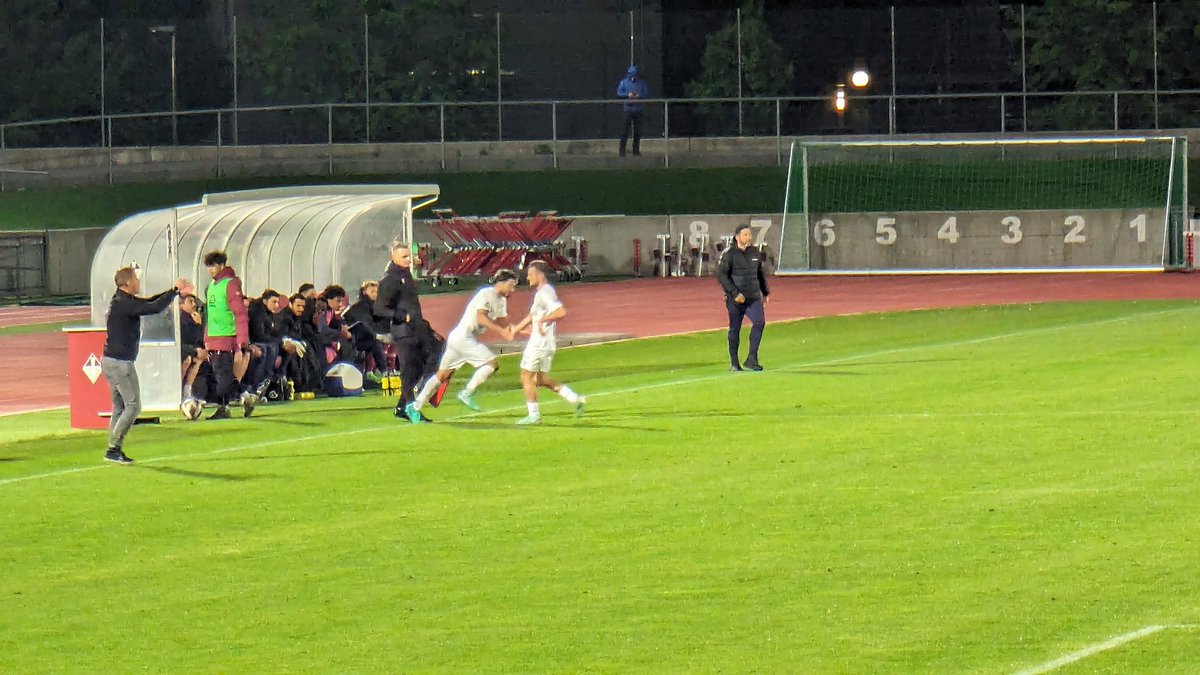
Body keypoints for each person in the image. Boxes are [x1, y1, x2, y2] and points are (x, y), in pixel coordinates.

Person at [100, 266, 192, 464]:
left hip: (111, 360)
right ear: (127, 284)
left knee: (119, 407)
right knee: (133, 406)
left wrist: (172, 291)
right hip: (120, 363)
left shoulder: (123, 300)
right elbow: (153, 308)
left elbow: (150, 301)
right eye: (135, 279)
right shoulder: (124, 303)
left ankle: (113, 448)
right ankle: (113, 448)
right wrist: (175, 291)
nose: (138, 282)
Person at [403, 269, 520, 424]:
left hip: (458, 338)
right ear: (502, 282)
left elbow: (502, 320)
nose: (513, 290)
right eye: (512, 285)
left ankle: (415, 406)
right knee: (492, 363)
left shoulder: (501, 300)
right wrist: (502, 332)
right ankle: (467, 392)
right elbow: (481, 317)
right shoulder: (487, 294)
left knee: (442, 375)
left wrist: (521, 328)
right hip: (464, 337)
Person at [509, 261, 586, 425]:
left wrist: (542, 320)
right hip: (546, 342)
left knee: (526, 376)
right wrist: (516, 329)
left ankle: (534, 415)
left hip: (539, 343)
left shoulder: (545, 293)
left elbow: (561, 311)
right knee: (541, 379)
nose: (528, 278)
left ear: (539, 274)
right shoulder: (542, 293)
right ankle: (575, 399)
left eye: (530, 274)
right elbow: (531, 317)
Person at [375, 240, 434, 420]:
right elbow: (379, 308)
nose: (409, 259)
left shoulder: (406, 275)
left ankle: (402, 407)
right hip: (403, 331)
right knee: (409, 370)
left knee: (422, 366)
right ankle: (410, 407)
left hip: (417, 329)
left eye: (409, 255)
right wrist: (402, 316)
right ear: (393, 257)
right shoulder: (390, 280)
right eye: (404, 256)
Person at [202, 250, 258, 419]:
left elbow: (240, 313)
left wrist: (242, 339)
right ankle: (241, 398)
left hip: (226, 337)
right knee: (223, 376)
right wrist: (206, 337)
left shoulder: (230, 284)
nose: (211, 269)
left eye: (214, 265)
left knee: (222, 376)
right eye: (208, 266)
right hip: (214, 337)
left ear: (222, 265)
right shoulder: (210, 287)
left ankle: (232, 403)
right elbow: (210, 315)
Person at [716, 224, 770, 371]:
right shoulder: (729, 253)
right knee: (735, 328)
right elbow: (721, 275)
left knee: (759, 322)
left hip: (753, 296)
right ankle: (734, 363)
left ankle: (752, 358)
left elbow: (759, 273)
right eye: (745, 235)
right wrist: (734, 293)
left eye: (749, 234)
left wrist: (765, 292)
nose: (749, 237)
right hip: (736, 299)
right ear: (737, 237)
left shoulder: (754, 252)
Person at [616, 65, 648, 157]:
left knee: (637, 132)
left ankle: (636, 151)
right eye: (631, 75)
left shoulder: (641, 83)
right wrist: (627, 94)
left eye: (634, 75)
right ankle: (622, 151)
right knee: (624, 131)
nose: (633, 77)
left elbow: (646, 93)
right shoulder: (624, 83)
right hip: (628, 110)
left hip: (638, 109)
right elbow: (619, 93)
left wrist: (639, 95)